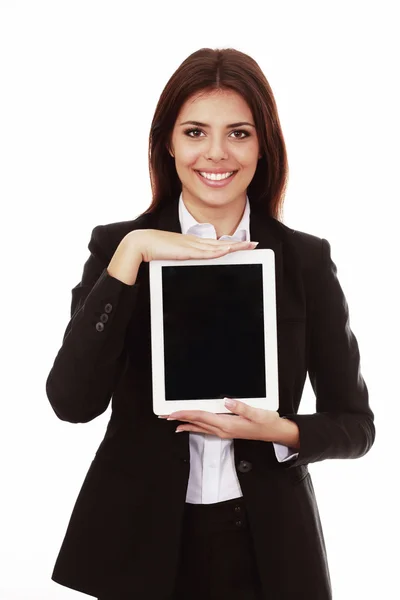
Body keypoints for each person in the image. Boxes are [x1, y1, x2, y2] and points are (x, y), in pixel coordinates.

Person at [45, 47, 375, 600]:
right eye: (195, 132)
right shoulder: (117, 248)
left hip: (268, 550)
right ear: (167, 143)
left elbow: (356, 424)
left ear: (263, 144)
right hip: (140, 549)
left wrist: (281, 432)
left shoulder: (303, 260)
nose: (216, 153)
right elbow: (72, 403)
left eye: (239, 133)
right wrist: (133, 254)